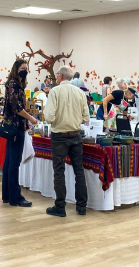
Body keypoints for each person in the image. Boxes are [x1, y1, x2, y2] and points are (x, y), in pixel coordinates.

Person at [43, 66, 89, 217]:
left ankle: (60, 207)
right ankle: (82, 206)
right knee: (79, 171)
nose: (56, 77)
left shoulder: (54, 92)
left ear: (61, 76)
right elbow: (86, 117)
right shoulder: (80, 93)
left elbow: (49, 117)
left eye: (57, 75)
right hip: (76, 135)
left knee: (59, 171)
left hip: (59, 136)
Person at [1, 59, 38, 208]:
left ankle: (7, 195)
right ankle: (15, 197)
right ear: (16, 69)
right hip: (16, 128)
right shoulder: (14, 85)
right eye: (22, 68)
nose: (25, 70)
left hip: (15, 126)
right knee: (13, 163)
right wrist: (31, 119)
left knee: (9, 161)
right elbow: (17, 108)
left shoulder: (15, 85)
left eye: (26, 68)